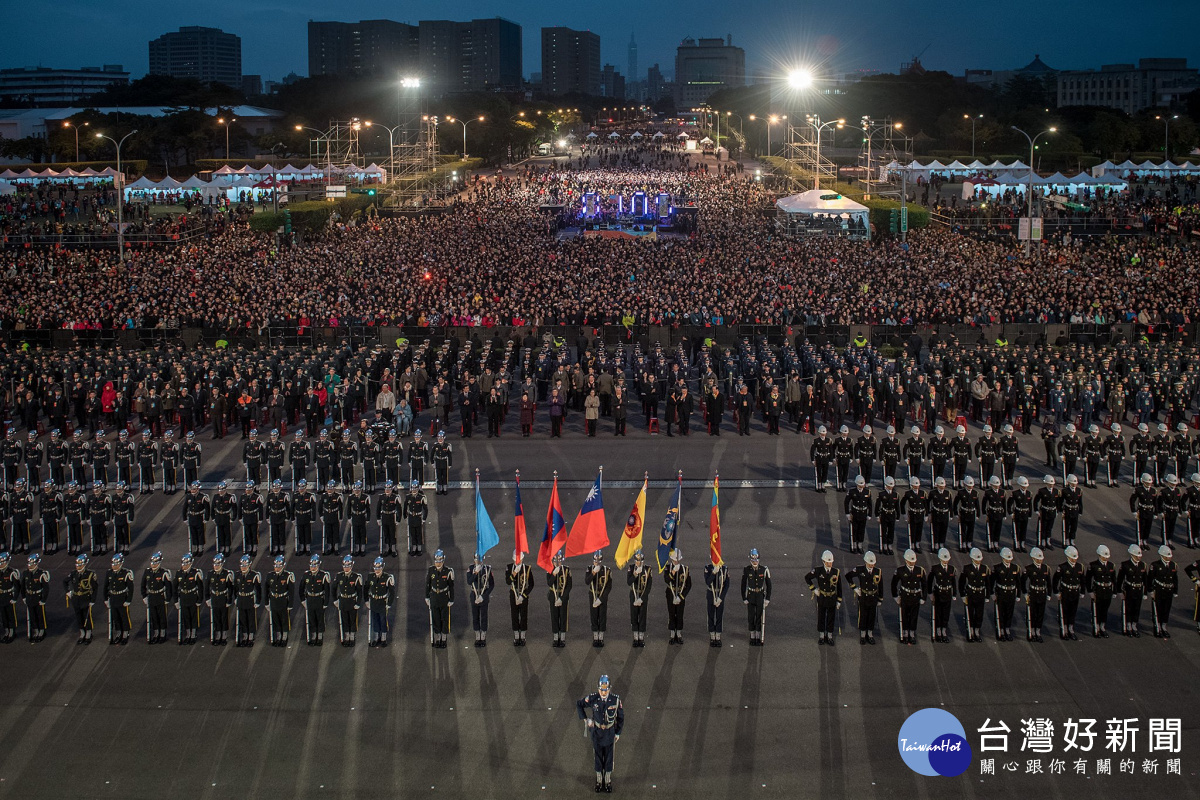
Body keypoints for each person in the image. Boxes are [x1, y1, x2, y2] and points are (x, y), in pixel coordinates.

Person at [577, 674, 624, 794]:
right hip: (597, 733)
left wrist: (618, 732)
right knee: (598, 758)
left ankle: (607, 781)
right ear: (598, 688)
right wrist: (586, 719)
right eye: (601, 690)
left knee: (609, 759)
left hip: (609, 733)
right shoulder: (593, 698)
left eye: (605, 690)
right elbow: (579, 704)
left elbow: (620, 717)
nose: (603, 692)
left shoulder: (615, 700)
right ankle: (599, 781)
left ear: (609, 688)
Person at [805, 550, 842, 646]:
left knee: (831, 617)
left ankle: (829, 635)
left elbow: (839, 587)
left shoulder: (836, 572)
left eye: (831, 562)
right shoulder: (818, 571)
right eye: (828, 562)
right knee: (821, 617)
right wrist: (813, 589)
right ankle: (821, 635)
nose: (829, 563)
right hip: (822, 597)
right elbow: (807, 578)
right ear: (823, 562)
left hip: (832, 597)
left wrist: (839, 600)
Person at [847, 550, 883, 645]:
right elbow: (848, 576)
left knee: (872, 616)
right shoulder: (860, 570)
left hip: (873, 596)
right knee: (863, 615)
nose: (872, 565)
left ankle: (870, 634)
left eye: (873, 563)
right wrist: (854, 588)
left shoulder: (877, 571)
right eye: (870, 563)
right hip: (863, 596)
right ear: (865, 562)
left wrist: (880, 598)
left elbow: (881, 586)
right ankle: (863, 634)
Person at [891, 548, 926, 645]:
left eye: (913, 561)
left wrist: (924, 597)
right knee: (905, 615)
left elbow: (924, 584)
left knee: (914, 616)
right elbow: (893, 584)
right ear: (906, 560)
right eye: (910, 562)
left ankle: (912, 633)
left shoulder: (920, 570)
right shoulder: (900, 571)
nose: (912, 563)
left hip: (915, 596)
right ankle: (905, 633)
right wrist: (895, 597)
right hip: (905, 596)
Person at [64, 553, 98, 645]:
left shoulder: (90, 574)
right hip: (76, 599)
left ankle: (88, 633)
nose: (78, 566)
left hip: (85, 598)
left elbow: (95, 588)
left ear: (84, 564)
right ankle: (82, 633)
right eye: (77, 565)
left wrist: (92, 600)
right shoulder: (73, 573)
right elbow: (65, 581)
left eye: (80, 565)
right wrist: (68, 592)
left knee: (87, 616)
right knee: (79, 617)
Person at [1053, 545, 1085, 640]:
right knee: (1064, 611)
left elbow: (1083, 580)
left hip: (1075, 592)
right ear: (1068, 557)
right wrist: (1056, 592)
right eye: (1072, 557)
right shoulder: (1062, 567)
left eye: (1075, 558)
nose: (1074, 560)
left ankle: (1071, 629)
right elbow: (1055, 579)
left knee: (1073, 611)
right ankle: (1064, 630)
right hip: (1065, 592)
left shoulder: (1080, 567)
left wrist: (1082, 591)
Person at [141, 551, 173, 644]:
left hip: (160, 597)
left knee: (161, 616)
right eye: (152, 562)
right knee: (154, 616)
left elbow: (168, 587)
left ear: (159, 563)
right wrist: (144, 596)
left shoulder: (164, 572)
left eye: (155, 563)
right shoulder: (147, 572)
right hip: (151, 596)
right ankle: (156, 633)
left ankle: (162, 634)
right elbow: (143, 585)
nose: (153, 564)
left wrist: (167, 599)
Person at [958, 547, 989, 642]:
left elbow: (988, 583)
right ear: (972, 559)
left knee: (979, 614)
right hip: (971, 593)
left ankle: (977, 631)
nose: (978, 561)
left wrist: (987, 596)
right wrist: (963, 595)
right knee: (970, 613)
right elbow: (961, 582)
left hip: (980, 593)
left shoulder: (985, 568)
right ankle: (970, 631)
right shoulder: (967, 568)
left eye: (979, 559)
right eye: (976, 559)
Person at [740, 548, 771, 646]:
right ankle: (752, 635)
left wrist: (767, 599)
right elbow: (743, 584)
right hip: (751, 595)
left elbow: (769, 585)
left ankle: (758, 634)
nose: (755, 562)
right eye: (753, 560)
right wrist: (744, 598)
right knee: (751, 616)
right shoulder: (746, 570)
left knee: (759, 615)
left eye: (756, 560)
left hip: (760, 595)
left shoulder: (764, 569)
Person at [926, 548, 957, 643]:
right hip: (939, 593)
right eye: (944, 559)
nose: (946, 560)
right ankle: (938, 631)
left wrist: (954, 593)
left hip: (947, 593)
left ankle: (944, 631)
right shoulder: (935, 568)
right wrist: (930, 593)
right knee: (938, 613)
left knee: (946, 614)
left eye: (947, 559)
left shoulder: (952, 569)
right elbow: (929, 581)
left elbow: (953, 582)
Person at [103, 552, 134, 645]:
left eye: (116, 564)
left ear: (121, 564)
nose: (114, 566)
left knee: (124, 616)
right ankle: (118, 633)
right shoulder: (109, 573)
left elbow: (131, 588)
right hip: (113, 597)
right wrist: (105, 599)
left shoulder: (126, 573)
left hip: (122, 597)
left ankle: (125, 634)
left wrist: (128, 600)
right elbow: (105, 586)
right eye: (113, 563)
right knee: (115, 617)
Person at [990, 547, 1021, 642]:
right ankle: (1000, 629)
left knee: (1009, 612)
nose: (1008, 560)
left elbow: (1018, 583)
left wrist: (1018, 595)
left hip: (1011, 593)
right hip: (1001, 593)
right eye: (1007, 558)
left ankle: (1007, 629)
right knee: (1000, 612)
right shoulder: (997, 568)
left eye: (1010, 558)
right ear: (1003, 558)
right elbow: (991, 582)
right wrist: (991, 594)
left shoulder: (1015, 568)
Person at [426, 548, 454, 649]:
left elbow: (451, 586)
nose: (438, 563)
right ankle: (437, 636)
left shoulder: (448, 571)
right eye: (436, 561)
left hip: (444, 597)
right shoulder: (431, 570)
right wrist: (427, 597)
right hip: (434, 597)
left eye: (440, 561)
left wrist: (451, 599)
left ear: (443, 560)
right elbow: (428, 584)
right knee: (436, 618)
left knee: (445, 618)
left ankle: (444, 637)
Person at [582, 550, 612, 648]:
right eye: (595, 561)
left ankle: (601, 636)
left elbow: (608, 587)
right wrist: (594, 573)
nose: (597, 563)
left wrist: (602, 598)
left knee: (602, 615)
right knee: (594, 615)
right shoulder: (590, 569)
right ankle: (595, 636)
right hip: (593, 595)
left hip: (602, 596)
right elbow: (587, 581)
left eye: (598, 561)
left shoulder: (607, 571)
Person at [1117, 544, 1147, 637]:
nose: (1139, 557)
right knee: (1128, 608)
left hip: (1138, 589)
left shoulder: (1143, 565)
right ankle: (1128, 625)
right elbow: (1120, 579)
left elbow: (1145, 580)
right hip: (1129, 589)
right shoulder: (1125, 565)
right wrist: (1119, 591)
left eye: (1140, 555)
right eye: (1137, 555)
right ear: (1132, 555)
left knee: (1136, 608)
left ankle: (1134, 625)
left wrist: (1145, 592)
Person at [174, 553, 205, 646]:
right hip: (183, 598)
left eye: (186, 563)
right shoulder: (179, 573)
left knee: (193, 617)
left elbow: (200, 587)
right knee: (186, 617)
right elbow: (174, 587)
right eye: (183, 563)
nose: (183, 565)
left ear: (190, 564)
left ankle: (193, 634)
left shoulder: (195, 573)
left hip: (192, 598)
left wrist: (200, 599)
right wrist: (176, 600)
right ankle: (188, 634)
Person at [233, 553, 263, 647]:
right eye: (242, 565)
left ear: (249, 565)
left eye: (245, 565)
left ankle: (250, 636)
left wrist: (258, 601)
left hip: (250, 599)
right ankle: (245, 636)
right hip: (241, 599)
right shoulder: (237, 575)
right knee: (242, 619)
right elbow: (235, 589)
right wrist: (236, 598)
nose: (243, 567)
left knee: (250, 619)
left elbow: (258, 590)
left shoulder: (254, 575)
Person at [1148, 545, 1178, 638]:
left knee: (1166, 609)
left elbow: (1175, 579)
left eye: (1170, 556)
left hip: (1168, 590)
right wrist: (1150, 591)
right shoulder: (1155, 565)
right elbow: (1150, 579)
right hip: (1159, 590)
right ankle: (1157, 626)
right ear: (1162, 555)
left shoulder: (1173, 565)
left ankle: (1164, 626)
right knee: (1157, 609)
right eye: (1167, 556)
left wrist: (1175, 591)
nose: (1169, 557)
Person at [264, 555, 295, 647]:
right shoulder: (270, 575)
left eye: (279, 566)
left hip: (283, 601)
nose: (277, 568)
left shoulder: (288, 576)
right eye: (276, 566)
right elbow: (266, 590)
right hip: (274, 600)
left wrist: (290, 604)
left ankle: (284, 636)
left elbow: (291, 591)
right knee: (276, 619)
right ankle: (278, 636)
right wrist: (266, 602)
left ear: (283, 566)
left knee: (284, 619)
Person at [1022, 547, 1051, 643]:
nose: (1040, 560)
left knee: (1040, 614)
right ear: (1033, 558)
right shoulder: (1029, 569)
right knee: (1032, 613)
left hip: (1042, 593)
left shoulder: (1045, 568)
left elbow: (1049, 582)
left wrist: (1049, 594)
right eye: (1038, 558)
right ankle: (1031, 631)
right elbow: (1023, 582)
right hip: (1033, 593)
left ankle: (1038, 631)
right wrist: (1025, 593)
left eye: (1041, 558)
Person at [1086, 544, 1116, 638]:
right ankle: (1096, 627)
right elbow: (1088, 579)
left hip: (1107, 591)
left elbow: (1114, 579)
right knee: (1096, 610)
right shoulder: (1093, 565)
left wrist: (1114, 591)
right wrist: (1090, 591)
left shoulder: (1111, 565)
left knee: (1104, 610)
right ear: (1099, 555)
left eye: (1107, 557)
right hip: (1098, 591)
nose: (1106, 558)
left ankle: (1103, 627)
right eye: (1104, 556)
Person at [301, 554, 331, 646]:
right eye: (311, 565)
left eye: (315, 565)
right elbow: (301, 588)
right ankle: (313, 635)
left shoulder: (323, 575)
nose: (313, 567)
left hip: (319, 599)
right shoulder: (306, 575)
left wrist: (325, 602)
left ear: (318, 565)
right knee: (311, 618)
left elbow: (327, 590)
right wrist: (303, 600)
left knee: (320, 618)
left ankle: (320, 635)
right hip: (310, 598)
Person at [366, 556, 396, 648]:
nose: (377, 570)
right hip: (374, 601)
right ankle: (376, 637)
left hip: (382, 602)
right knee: (375, 620)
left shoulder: (387, 577)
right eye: (375, 568)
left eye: (379, 568)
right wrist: (367, 600)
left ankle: (383, 638)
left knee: (383, 620)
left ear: (382, 567)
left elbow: (392, 592)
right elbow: (366, 589)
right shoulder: (370, 576)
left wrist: (389, 604)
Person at [205, 553, 234, 646]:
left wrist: (229, 599)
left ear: (222, 564)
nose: (216, 566)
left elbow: (230, 588)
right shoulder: (210, 574)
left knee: (224, 617)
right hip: (215, 598)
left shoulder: (226, 574)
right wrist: (207, 598)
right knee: (216, 617)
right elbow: (207, 587)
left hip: (223, 598)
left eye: (218, 564)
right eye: (215, 564)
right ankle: (217, 635)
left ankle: (224, 635)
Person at [334, 555, 364, 647]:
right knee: (344, 619)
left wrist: (358, 603)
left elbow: (359, 591)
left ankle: (352, 636)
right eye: (345, 566)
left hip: (352, 600)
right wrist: (335, 600)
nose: (346, 568)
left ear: (352, 566)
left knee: (352, 619)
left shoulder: (356, 577)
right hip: (343, 600)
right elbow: (333, 589)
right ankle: (346, 636)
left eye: (348, 566)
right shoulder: (339, 575)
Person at [664, 547, 691, 644]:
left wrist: (681, 596)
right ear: (671, 559)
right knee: (671, 613)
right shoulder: (668, 568)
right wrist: (673, 572)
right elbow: (666, 580)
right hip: (671, 594)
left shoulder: (685, 569)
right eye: (674, 560)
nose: (676, 562)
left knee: (680, 614)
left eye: (677, 560)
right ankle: (672, 633)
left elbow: (688, 585)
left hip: (680, 594)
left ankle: (678, 633)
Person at [505, 550, 533, 647]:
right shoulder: (509, 568)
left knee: (524, 615)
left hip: (523, 595)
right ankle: (516, 635)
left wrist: (524, 595)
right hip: (514, 594)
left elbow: (531, 584)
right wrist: (513, 574)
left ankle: (523, 635)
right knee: (515, 615)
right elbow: (508, 582)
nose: (517, 562)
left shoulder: (527, 568)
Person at [466, 552, 494, 648]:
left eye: (479, 559)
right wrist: (475, 573)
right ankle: (477, 635)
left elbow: (491, 585)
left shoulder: (487, 569)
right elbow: (469, 581)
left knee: (484, 617)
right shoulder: (470, 569)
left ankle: (483, 636)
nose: (477, 561)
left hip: (483, 595)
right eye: (476, 559)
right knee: (475, 617)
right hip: (474, 594)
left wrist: (484, 596)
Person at [22, 552, 50, 642]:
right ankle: (36, 631)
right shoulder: (25, 573)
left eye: (32, 563)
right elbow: (23, 586)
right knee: (32, 616)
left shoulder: (41, 574)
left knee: (40, 615)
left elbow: (46, 588)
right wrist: (24, 597)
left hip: (38, 597)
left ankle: (42, 631)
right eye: (29, 563)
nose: (29, 565)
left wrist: (43, 599)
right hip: (29, 597)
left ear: (36, 563)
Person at [547, 549, 571, 647]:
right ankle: (556, 637)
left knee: (563, 616)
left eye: (559, 561)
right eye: (556, 561)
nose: (558, 563)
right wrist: (553, 574)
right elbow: (549, 583)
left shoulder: (566, 570)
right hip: (553, 596)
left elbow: (569, 585)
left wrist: (562, 598)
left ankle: (563, 637)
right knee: (554, 616)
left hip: (563, 596)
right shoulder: (550, 570)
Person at [702, 552, 727, 647]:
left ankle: (718, 635)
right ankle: (712, 634)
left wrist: (721, 598)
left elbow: (726, 585)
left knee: (719, 615)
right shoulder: (708, 568)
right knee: (711, 614)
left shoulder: (724, 569)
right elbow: (708, 582)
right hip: (711, 594)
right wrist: (713, 573)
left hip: (719, 594)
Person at [844, 475, 872, 554]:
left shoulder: (867, 492)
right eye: (860, 484)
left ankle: (860, 545)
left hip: (863, 513)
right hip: (855, 513)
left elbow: (870, 504)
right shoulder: (852, 492)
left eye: (862, 484)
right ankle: (854, 545)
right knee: (854, 530)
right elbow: (846, 502)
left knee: (861, 530)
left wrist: (869, 514)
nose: (861, 485)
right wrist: (847, 514)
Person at [183, 482, 211, 558]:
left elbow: (207, 508)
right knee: (193, 533)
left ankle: (201, 548)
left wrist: (206, 518)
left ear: (198, 489)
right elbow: (184, 508)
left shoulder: (202, 497)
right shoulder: (188, 497)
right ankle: (195, 548)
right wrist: (185, 518)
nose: (192, 491)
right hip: (192, 517)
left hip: (199, 517)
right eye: (192, 489)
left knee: (200, 533)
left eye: (194, 489)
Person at [1131, 473, 1157, 550]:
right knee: (1141, 527)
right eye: (1148, 482)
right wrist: (1134, 511)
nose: (1149, 484)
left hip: (1150, 511)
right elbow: (1132, 500)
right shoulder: (1138, 490)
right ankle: (1139, 541)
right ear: (1143, 482)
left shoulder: (1153, 491)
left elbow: (1155, 502)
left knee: (1148, 527)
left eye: (1150, 482)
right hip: (1142, 511)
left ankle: (1145, 540)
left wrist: (1156, 512)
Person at [874, 476, 900, 555]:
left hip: (892, 514)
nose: (891, 487)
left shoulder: (896, 495)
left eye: (892, 486)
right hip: (884, 514)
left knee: (891, 531)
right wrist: (877, 515)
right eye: (889, 485)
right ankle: (884, 545)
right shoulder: (882, 494)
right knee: (884, 531)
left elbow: (897, 506)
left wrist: (898, 515)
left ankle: (890, 545)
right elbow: (877, 505)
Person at [403, 480, 428, 557]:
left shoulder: (421, 497)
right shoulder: (408, 497)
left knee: (419, 533)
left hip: (418, 517)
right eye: (413, 488)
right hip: (411, 517)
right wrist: (405, 516)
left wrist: (424, 518)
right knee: (412, 533)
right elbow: (405, 507)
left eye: (415, 488)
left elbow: (425, 509)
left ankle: (419, 548)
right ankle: (414, 548)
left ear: (418, 489)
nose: (414, 490)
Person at [810, 426, 833, 492]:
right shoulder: (816, 441)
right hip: (819, 458)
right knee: (819, 472)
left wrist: (831, 459)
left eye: (824, 434)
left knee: (825, 472)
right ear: (819, 434)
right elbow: (812, 451)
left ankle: (823, 484)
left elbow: (831, 450)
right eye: (822, 434)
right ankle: (819, 484)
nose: (823, 435)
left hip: (826, 458)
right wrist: (813, 460)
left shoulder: (829, 440)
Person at [432, 431, 453, 495]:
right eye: (439, 438)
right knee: (439, 476)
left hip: (444, 462)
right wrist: (432, 463)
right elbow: (432, 454)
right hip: (438, 462)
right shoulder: (436, 445)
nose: (440, 440)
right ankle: (440, 489)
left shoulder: (447, 446)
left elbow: (449, 456)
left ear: (444, 438)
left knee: (445, 476)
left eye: (441, 438)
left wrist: (450, 464)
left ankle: (445, 489)